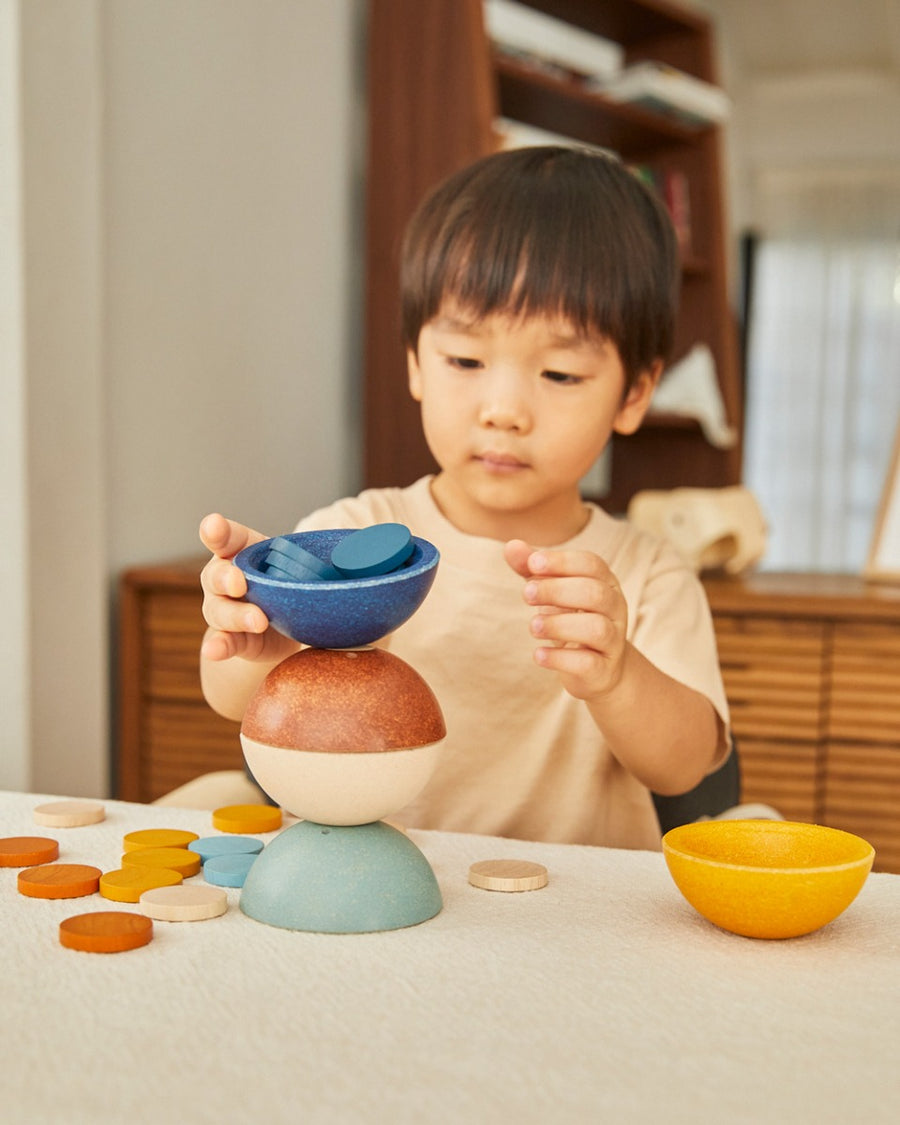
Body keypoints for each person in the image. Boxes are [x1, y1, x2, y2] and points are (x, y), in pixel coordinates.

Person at [183, 145, 730, 850]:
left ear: (634, 394)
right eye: (466, 361)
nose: (503, 409)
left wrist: (618, 672)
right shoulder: (354, 534)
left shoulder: (647, 573)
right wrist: (257, 641)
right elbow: (231, 698)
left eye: (560, 373)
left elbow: (685, 769)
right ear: (415, 361)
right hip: (379, 903)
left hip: (573, 918)